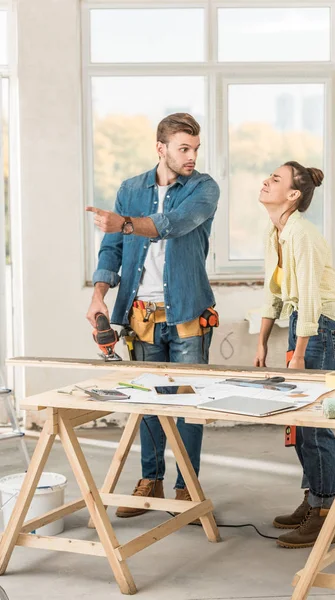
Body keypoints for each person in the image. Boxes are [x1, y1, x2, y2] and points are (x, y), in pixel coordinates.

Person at [86, 113, 220, 517]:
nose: (192, 156)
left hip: (188, 314)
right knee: (149, 403)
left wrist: (123, 224)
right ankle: (152, 480)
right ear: (160, 148)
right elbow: (111, 250)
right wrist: (98, 297)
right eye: (184, 148)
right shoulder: (130, 189)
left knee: (187, 404)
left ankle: (187, 486)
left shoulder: (203, 188)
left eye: (195, 148)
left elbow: (173, 224)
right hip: (142, 315)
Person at [254, 161, 335, 548]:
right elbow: (273, 291)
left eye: (276, 179)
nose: (266, 181)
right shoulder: (276, 232)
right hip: (302, 326)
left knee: (315, 424)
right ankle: (312, 499)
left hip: (321, 329)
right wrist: (262, 341)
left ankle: (324, 511)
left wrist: (298, 355)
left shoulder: (303, 235)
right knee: (300, 424)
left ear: (293, 195)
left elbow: (309, 299)